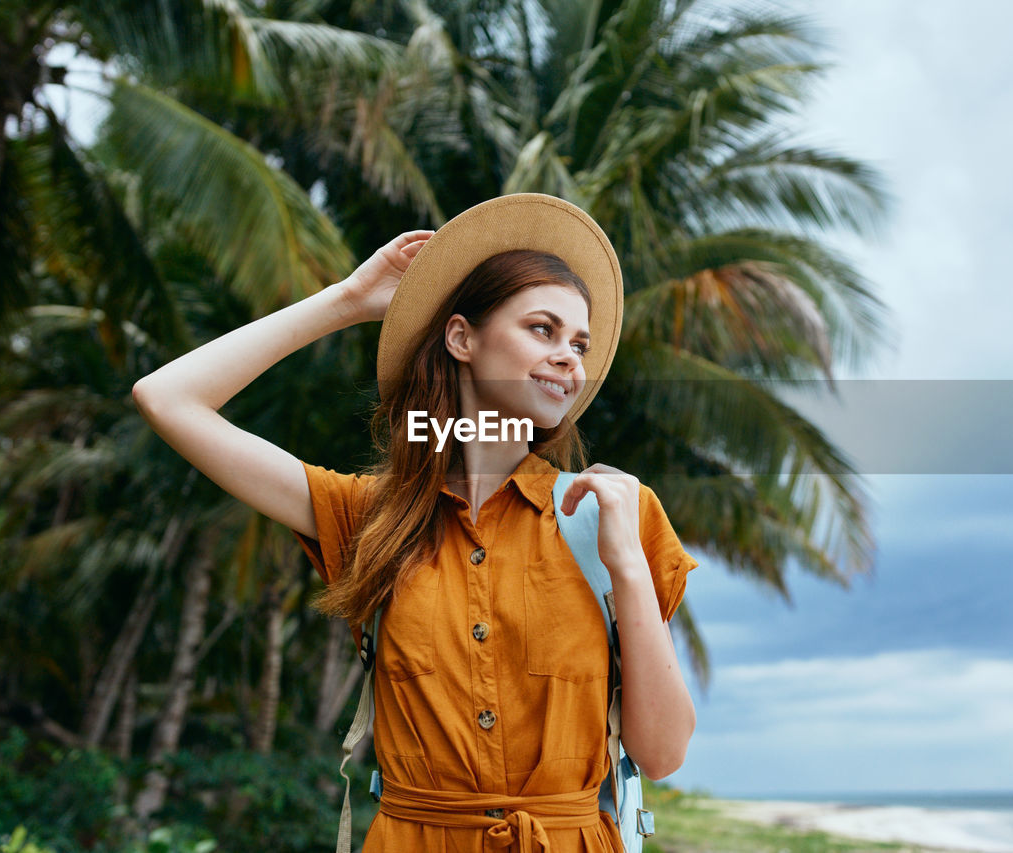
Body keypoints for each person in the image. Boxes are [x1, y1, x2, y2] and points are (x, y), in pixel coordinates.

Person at [132, 192, 699, 851]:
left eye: (580, 343)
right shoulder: (366, 516)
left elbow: (661, 754)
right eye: (542, 329)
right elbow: (167, 397)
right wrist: (348, 300)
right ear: (462, 337)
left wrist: (627, 565)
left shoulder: (613, 516)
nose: (570, 358)